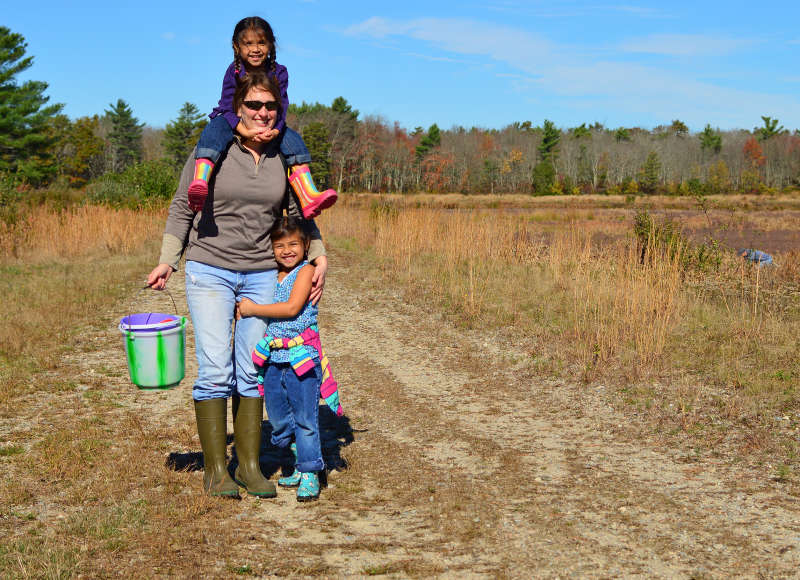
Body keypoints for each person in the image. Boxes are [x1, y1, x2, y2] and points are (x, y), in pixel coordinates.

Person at [146, 71, 328, 499]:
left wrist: (318, 253)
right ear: (238, 107)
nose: (262, 114)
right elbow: (180, 207)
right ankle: (215, 471)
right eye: (254, 105)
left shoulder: (285, 152)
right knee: (215, 369)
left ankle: (248, 466)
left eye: (270, 106)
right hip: (210, 267)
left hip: (262, 272)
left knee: (251, 368)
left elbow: (303, 210)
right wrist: (167, 260)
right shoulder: (214, 148)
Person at [188, 16, 337, 220]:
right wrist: (243, 130)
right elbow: (226, 106)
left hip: (271, 122)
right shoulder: (234, 71)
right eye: (248, 43)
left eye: (261, 42)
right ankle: (200, 182)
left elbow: (282, 105)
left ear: (271, 44)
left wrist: (276, 130)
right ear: (236, 46)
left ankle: (309, 195)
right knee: (214, 129)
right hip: (234, 118)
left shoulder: (279, 72)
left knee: (293, 139)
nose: (255, 49)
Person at [235, 216, 341, 502]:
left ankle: (310, 472)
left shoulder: (306, 271)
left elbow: (293, 307)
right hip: (273, 359)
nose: (286, 250)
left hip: (300, 357)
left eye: (293, 243)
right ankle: (297, 459)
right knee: (280, 418)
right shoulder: (272, 274)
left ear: (306, 245)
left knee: (306, 417)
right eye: (279, 245)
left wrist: (253, 309)